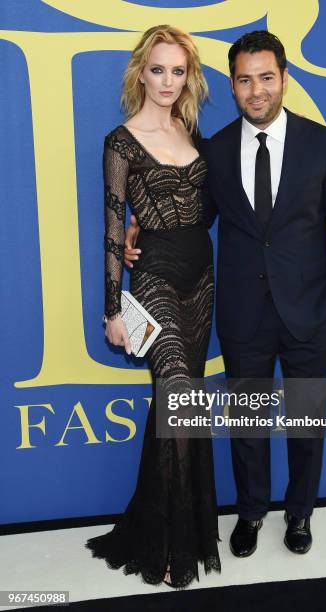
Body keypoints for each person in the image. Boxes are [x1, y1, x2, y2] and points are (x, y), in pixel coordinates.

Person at [124, 31, 326, 559]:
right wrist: (140, 227)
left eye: (266, 77)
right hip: (244, 316)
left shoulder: (325, 144)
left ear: (283, 79)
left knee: (306, 426)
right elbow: (194, 216)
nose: (256, 90)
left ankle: (300, 513)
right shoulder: (213, 151)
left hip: (312, 316)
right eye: (244, 80)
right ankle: (251, 512)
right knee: (249, 425)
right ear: (231, 86)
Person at [85, 25, 221, 590]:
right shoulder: (121, 142)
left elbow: (205, 210)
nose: (168, 81)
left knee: (182, 409)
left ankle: (181, 531)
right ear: (141, 72)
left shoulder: (191, 130)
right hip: (157, 278)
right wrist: (113, 309)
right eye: (158, 69)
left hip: (202, 276)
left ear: (188, 77)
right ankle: (165, 543)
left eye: (178, 70)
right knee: (177, 396)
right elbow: (114, 229)